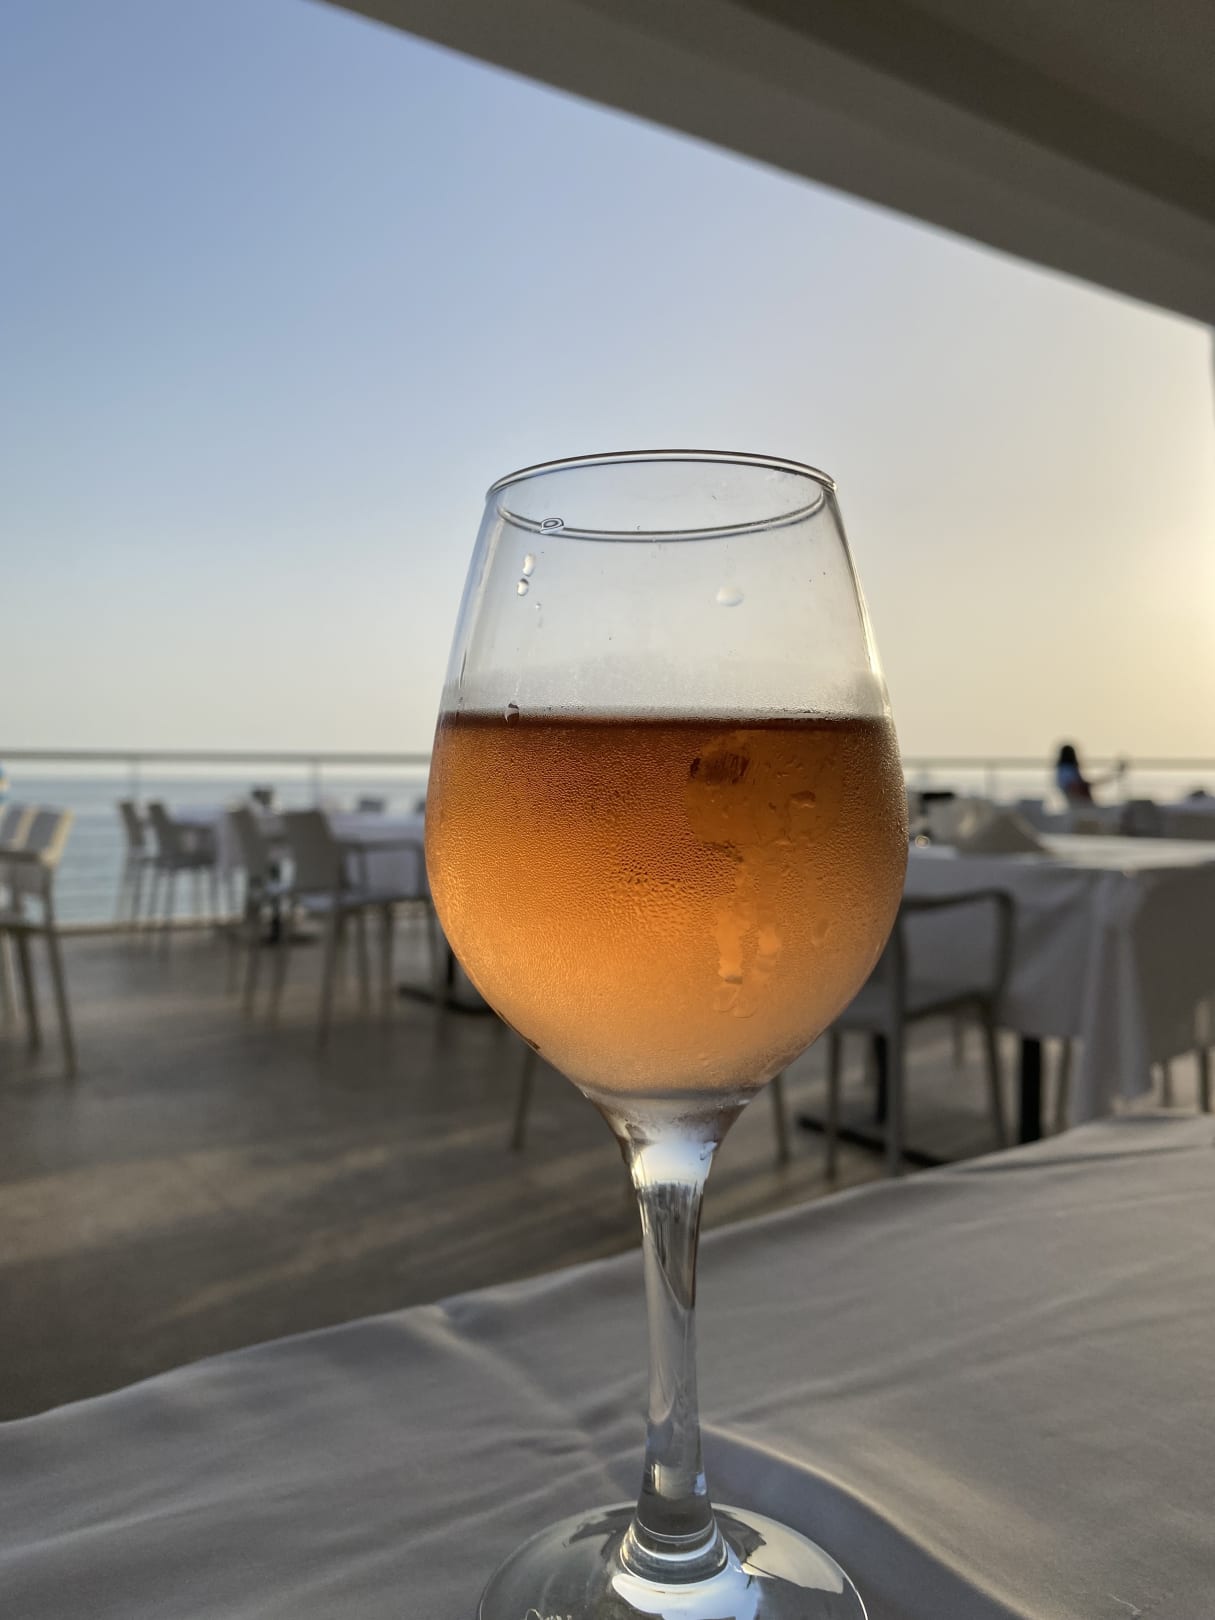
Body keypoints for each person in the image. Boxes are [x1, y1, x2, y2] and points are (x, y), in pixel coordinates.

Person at [1054, 742, 1125, 806]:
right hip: (1082, 805)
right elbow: (1075, 787)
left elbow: (1078, 786)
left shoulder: (1063, 771)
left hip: (1081, 804)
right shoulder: (1067, 771)